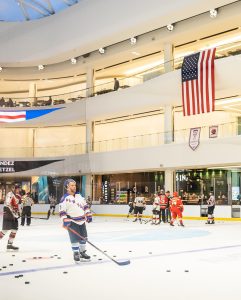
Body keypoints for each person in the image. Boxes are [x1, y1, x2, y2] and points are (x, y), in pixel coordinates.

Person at [59, 179, 92, 263]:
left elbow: (85, 206)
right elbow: (62, 211)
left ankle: (82, 253)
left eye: (75, 185)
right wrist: (65, 219)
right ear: (67, 187)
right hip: (72, 221)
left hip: (82, 221)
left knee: (84, 237)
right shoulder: (64, 198)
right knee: (74, 239)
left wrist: (88, 214)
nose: (74, 187)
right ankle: (76, 253)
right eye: (72, 185)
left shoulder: (79, 196)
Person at [0, 184, 21, 251]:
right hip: (8, 213)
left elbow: (16, 206)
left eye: (19, 189)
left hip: (13, 214)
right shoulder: (10, 194)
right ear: (14, 188)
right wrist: (14, 213)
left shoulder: (17, 196)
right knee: (5, 230)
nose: (19, 190)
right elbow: (8, 204)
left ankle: (10, 244)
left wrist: (18, 212)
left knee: (14, 229)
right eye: (17, 189)